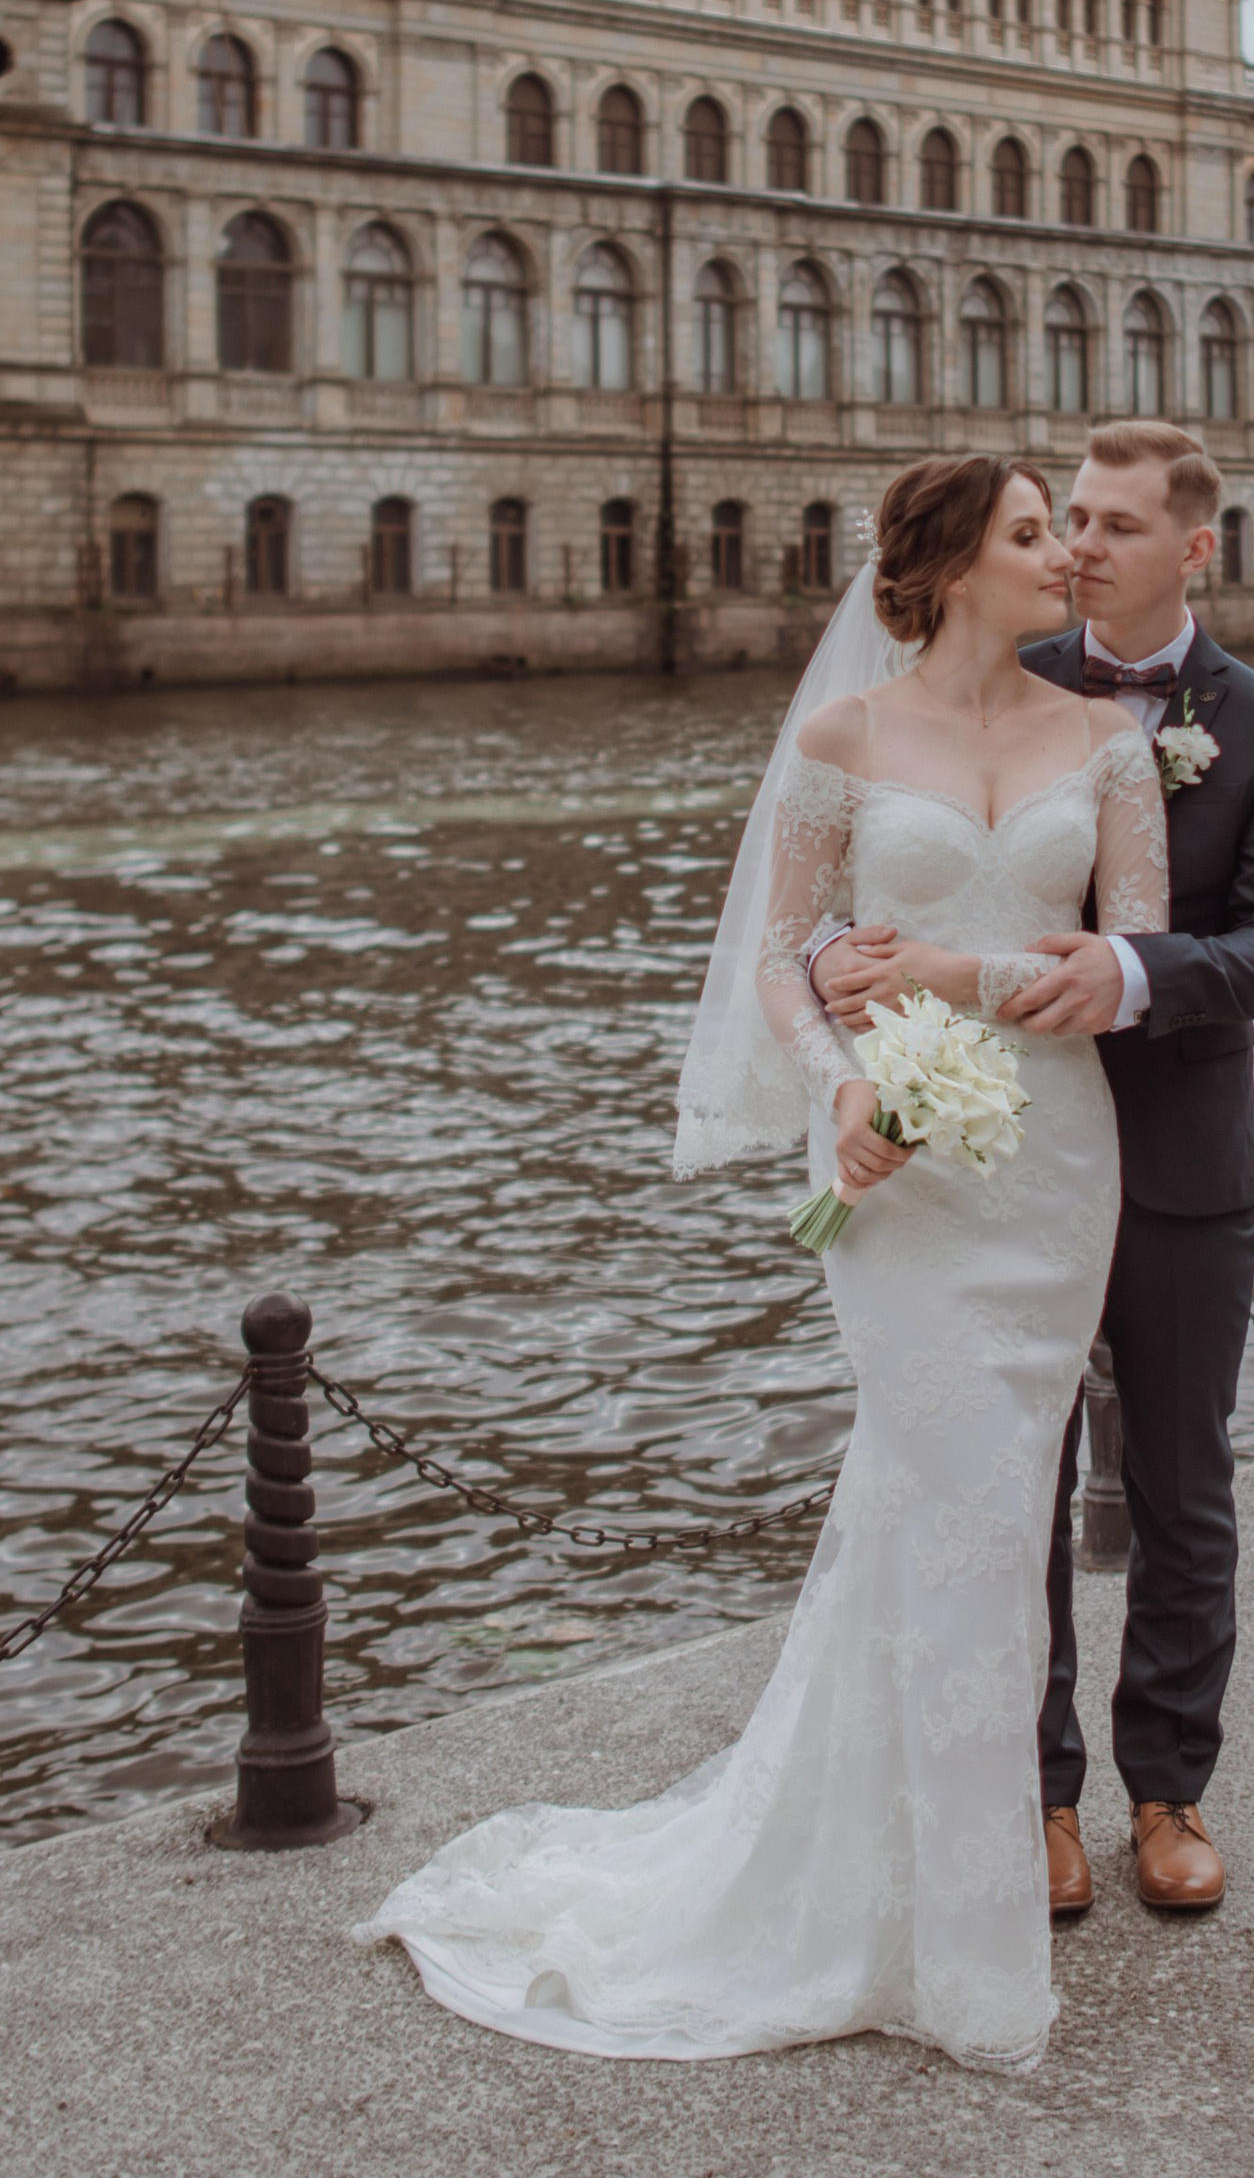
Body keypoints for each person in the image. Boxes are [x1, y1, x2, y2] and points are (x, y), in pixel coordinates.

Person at [356, 455, 1167, 2073]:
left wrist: (960, 970)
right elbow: (783, 963)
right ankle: (966, 1947)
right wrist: (850, 1086)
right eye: (1028, 535)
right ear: (943, 569)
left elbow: (1119, 956)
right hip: (893, 1173)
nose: (1064, 556)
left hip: (1055, 1166)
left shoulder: (1114, 744)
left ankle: (915, 1895)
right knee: (955, 1512)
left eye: (1061, 534)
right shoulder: (842, 741)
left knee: (987, 1523)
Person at [824, 423, 1254, 1916]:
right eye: (1069, 523)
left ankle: (1169, 1793)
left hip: (1173, 1150)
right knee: (1007, 1484)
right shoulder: (1001, 686)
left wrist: (1130, 971)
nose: (1083, 548)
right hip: (990, 1155)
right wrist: (844, 994)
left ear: (1195, 548)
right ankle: (1035, 1795)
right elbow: (872, 883)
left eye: (1113, 525)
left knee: (1181, 1485)